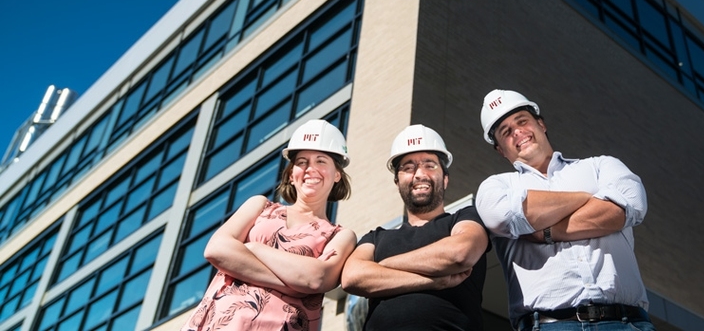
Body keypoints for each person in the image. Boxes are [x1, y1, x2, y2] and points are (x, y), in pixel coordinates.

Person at [475, 90, 655, 331]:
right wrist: (586, 198)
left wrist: (547, 232)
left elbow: (629, 204)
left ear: (541, 124)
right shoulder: (496, 187)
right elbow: (504, 215)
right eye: (506, 132)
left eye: (522, 121)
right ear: (500, 150)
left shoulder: (600, 166)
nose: (517, 132)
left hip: (627, 323)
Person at [182, 119, 357, 331]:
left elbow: (316, 278)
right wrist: (296, 285)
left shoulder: (340, 236)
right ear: (292, 175)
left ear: (337, 174)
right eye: (302, 162)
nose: (310, 169)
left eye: (321, 161)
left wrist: (252, 249)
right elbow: (216, 249)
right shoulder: (260, 206)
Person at [341, 124, 490, 331]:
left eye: (430, 165)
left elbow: (460, 253)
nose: (419, 174)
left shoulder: (466, 217)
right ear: (397, 182)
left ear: (445, 179)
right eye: (408, 168)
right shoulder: (375, 237)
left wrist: (382, 266)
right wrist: (434, 281)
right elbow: (352, 277)